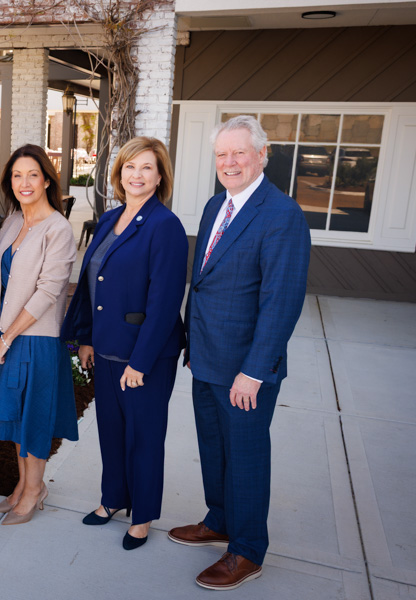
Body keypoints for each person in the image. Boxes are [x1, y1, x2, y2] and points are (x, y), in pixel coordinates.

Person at [168, 115, 310, 590]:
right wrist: (192, 342)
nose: (229, 163)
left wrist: (255, 371)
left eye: (239, 153)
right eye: (221, 154)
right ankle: (220, 519)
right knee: (214, 448)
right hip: (207, 356)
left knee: (245, 455)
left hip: (246, 369)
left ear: (262, 155)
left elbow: (281, 301)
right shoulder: (216, 206)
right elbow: (206, 282)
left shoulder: (281, 214)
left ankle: (247, 549)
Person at [61, 137, 188, 550]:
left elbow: (165, 301)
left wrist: (141, 362)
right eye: (130, 167)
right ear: (119, 174)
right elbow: (90, 286)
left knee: (144, 437)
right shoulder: (111, 217)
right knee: (112, 432)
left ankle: (144, 515)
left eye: (147, 168)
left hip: (144, 356)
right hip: (106, 348)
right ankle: (113, 498)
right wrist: (85, 339)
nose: (137, 175)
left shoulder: (165, 226)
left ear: (159, 176)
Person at [0, 144, 79, 525]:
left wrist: (8, 335)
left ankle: (33, 490)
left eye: (32, 175)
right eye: (16, 175)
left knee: (35, 418)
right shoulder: (10, 222)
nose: (24, 183)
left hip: (36, 338)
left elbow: (48, 291)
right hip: (2, 334)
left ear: (46, 180)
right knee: (13, 418)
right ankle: (22, 485)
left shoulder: (58, 228)